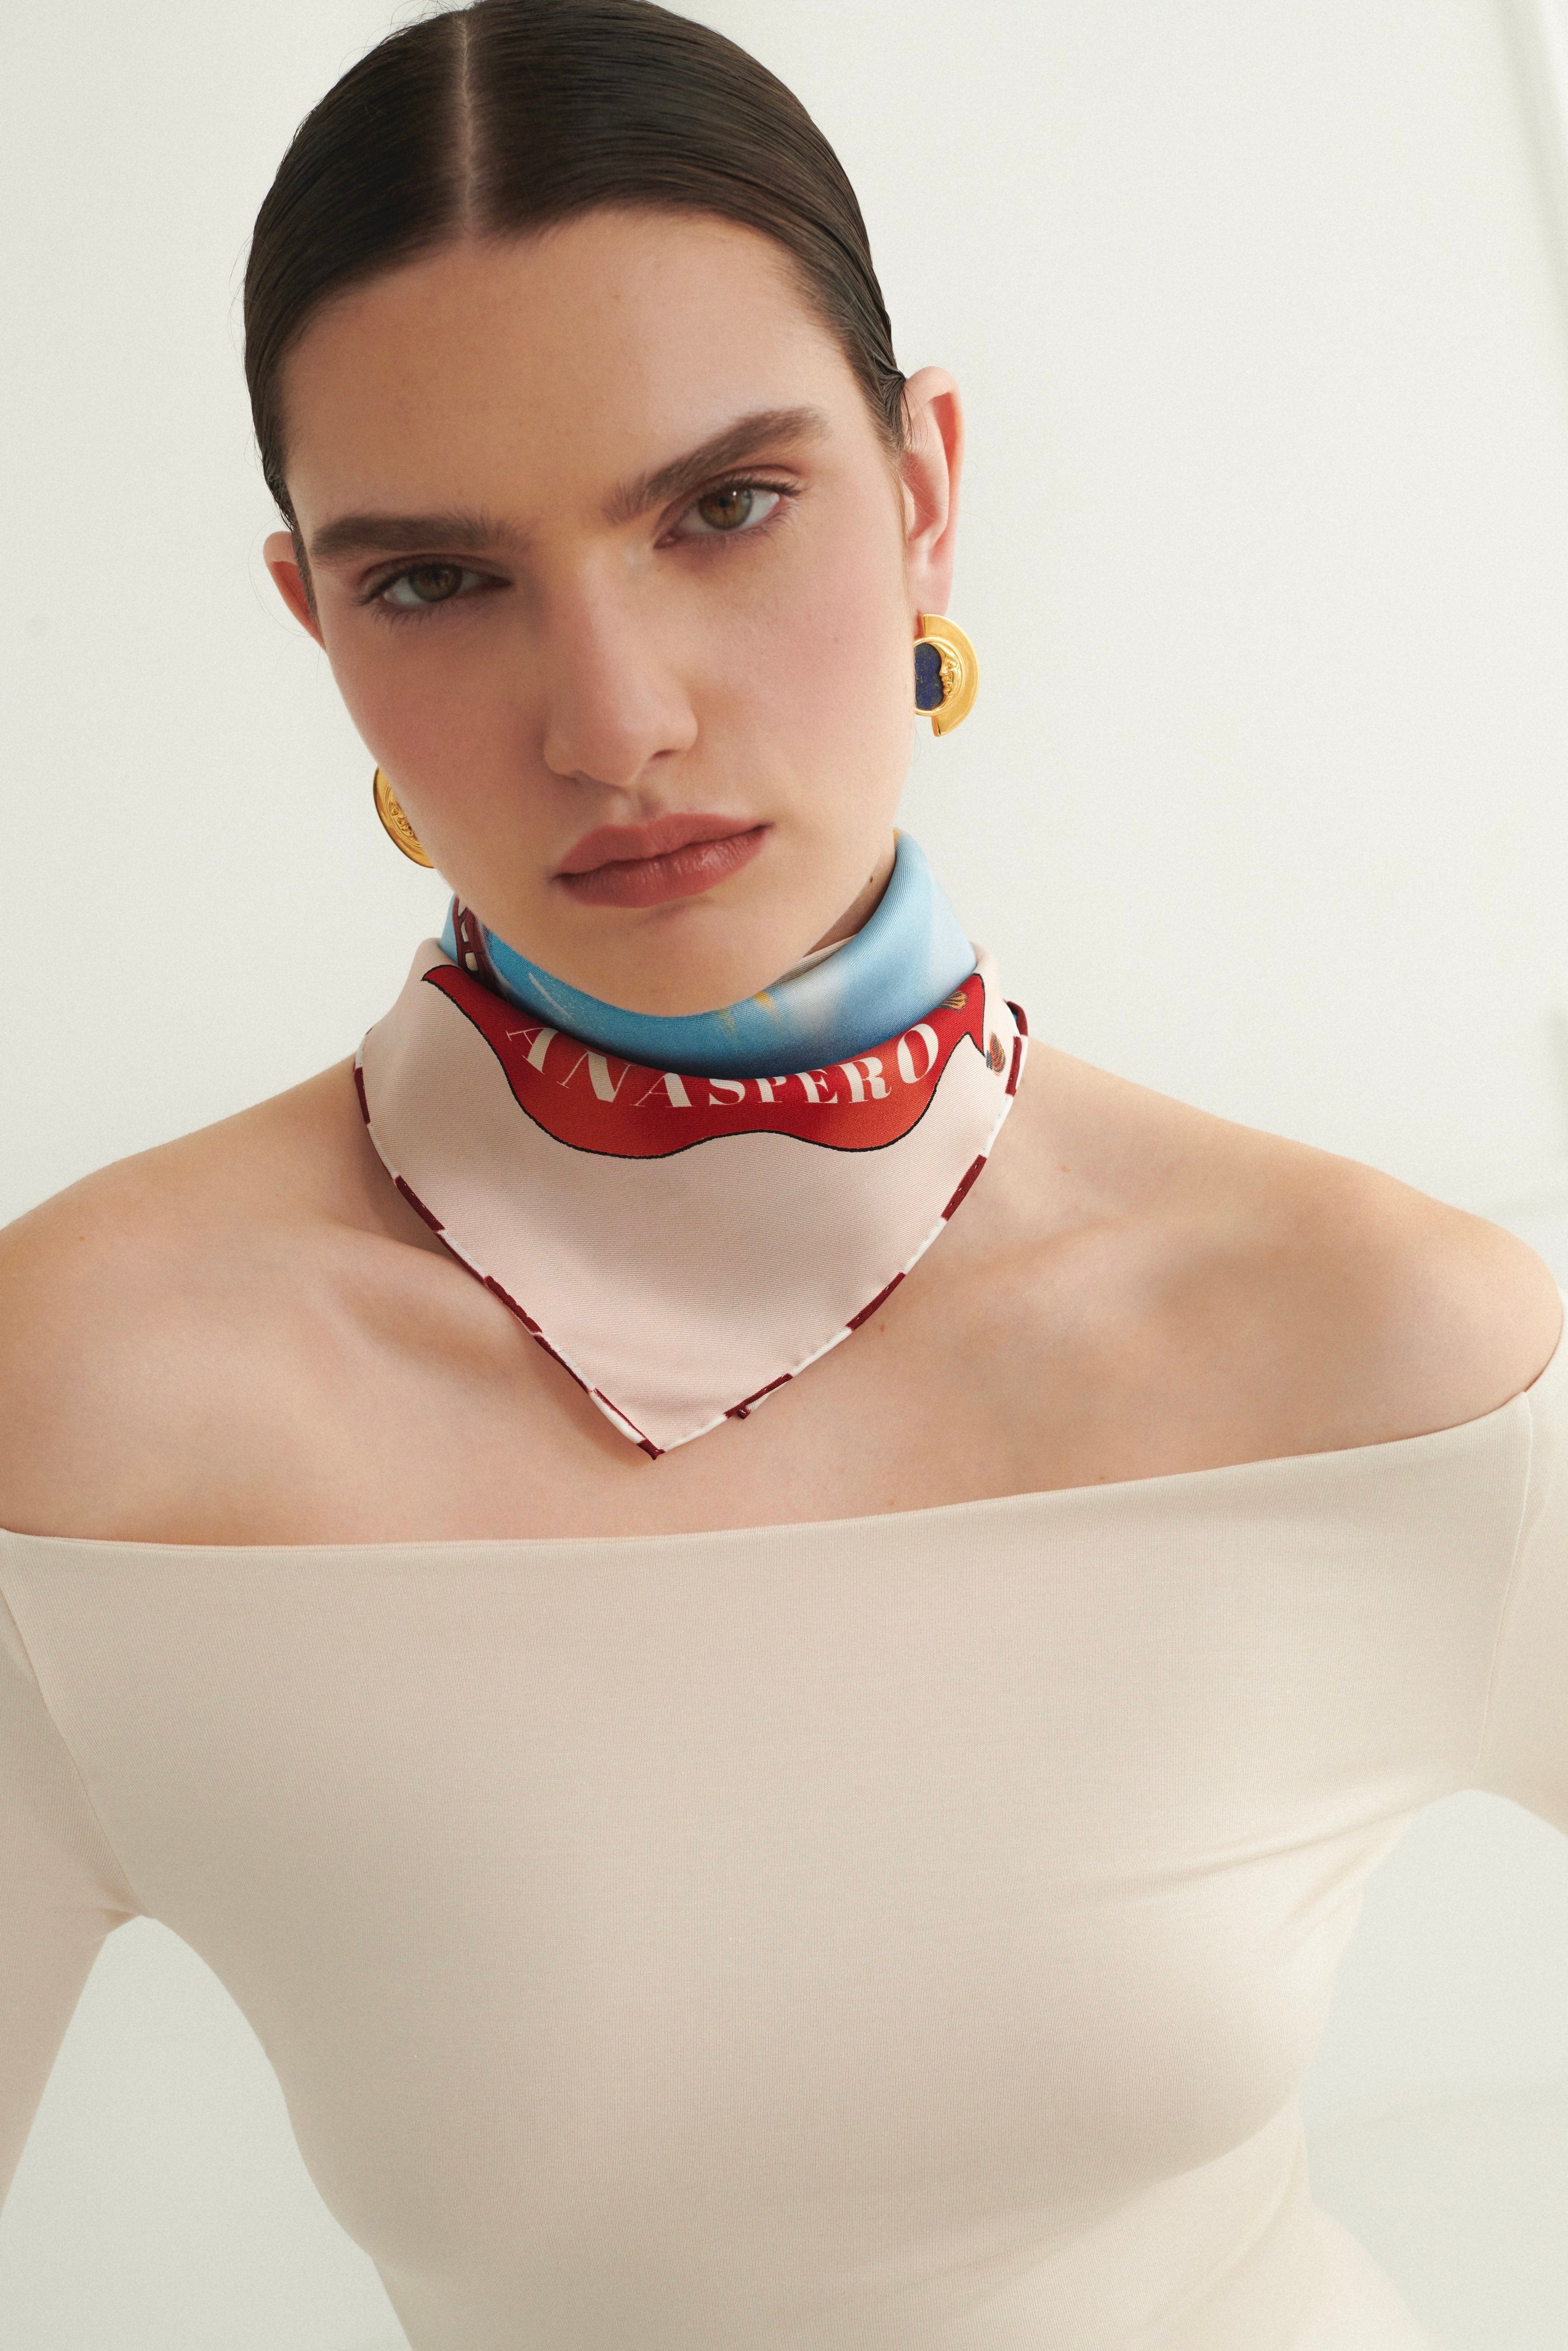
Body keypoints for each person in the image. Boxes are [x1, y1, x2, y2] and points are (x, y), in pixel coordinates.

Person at [2, 2, 1565, 2343]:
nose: (614, 716)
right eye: (436, 579)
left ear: (926, 491)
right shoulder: (93, 1399)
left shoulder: (1376, 1335)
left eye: (722, 507)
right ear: (312, 617)